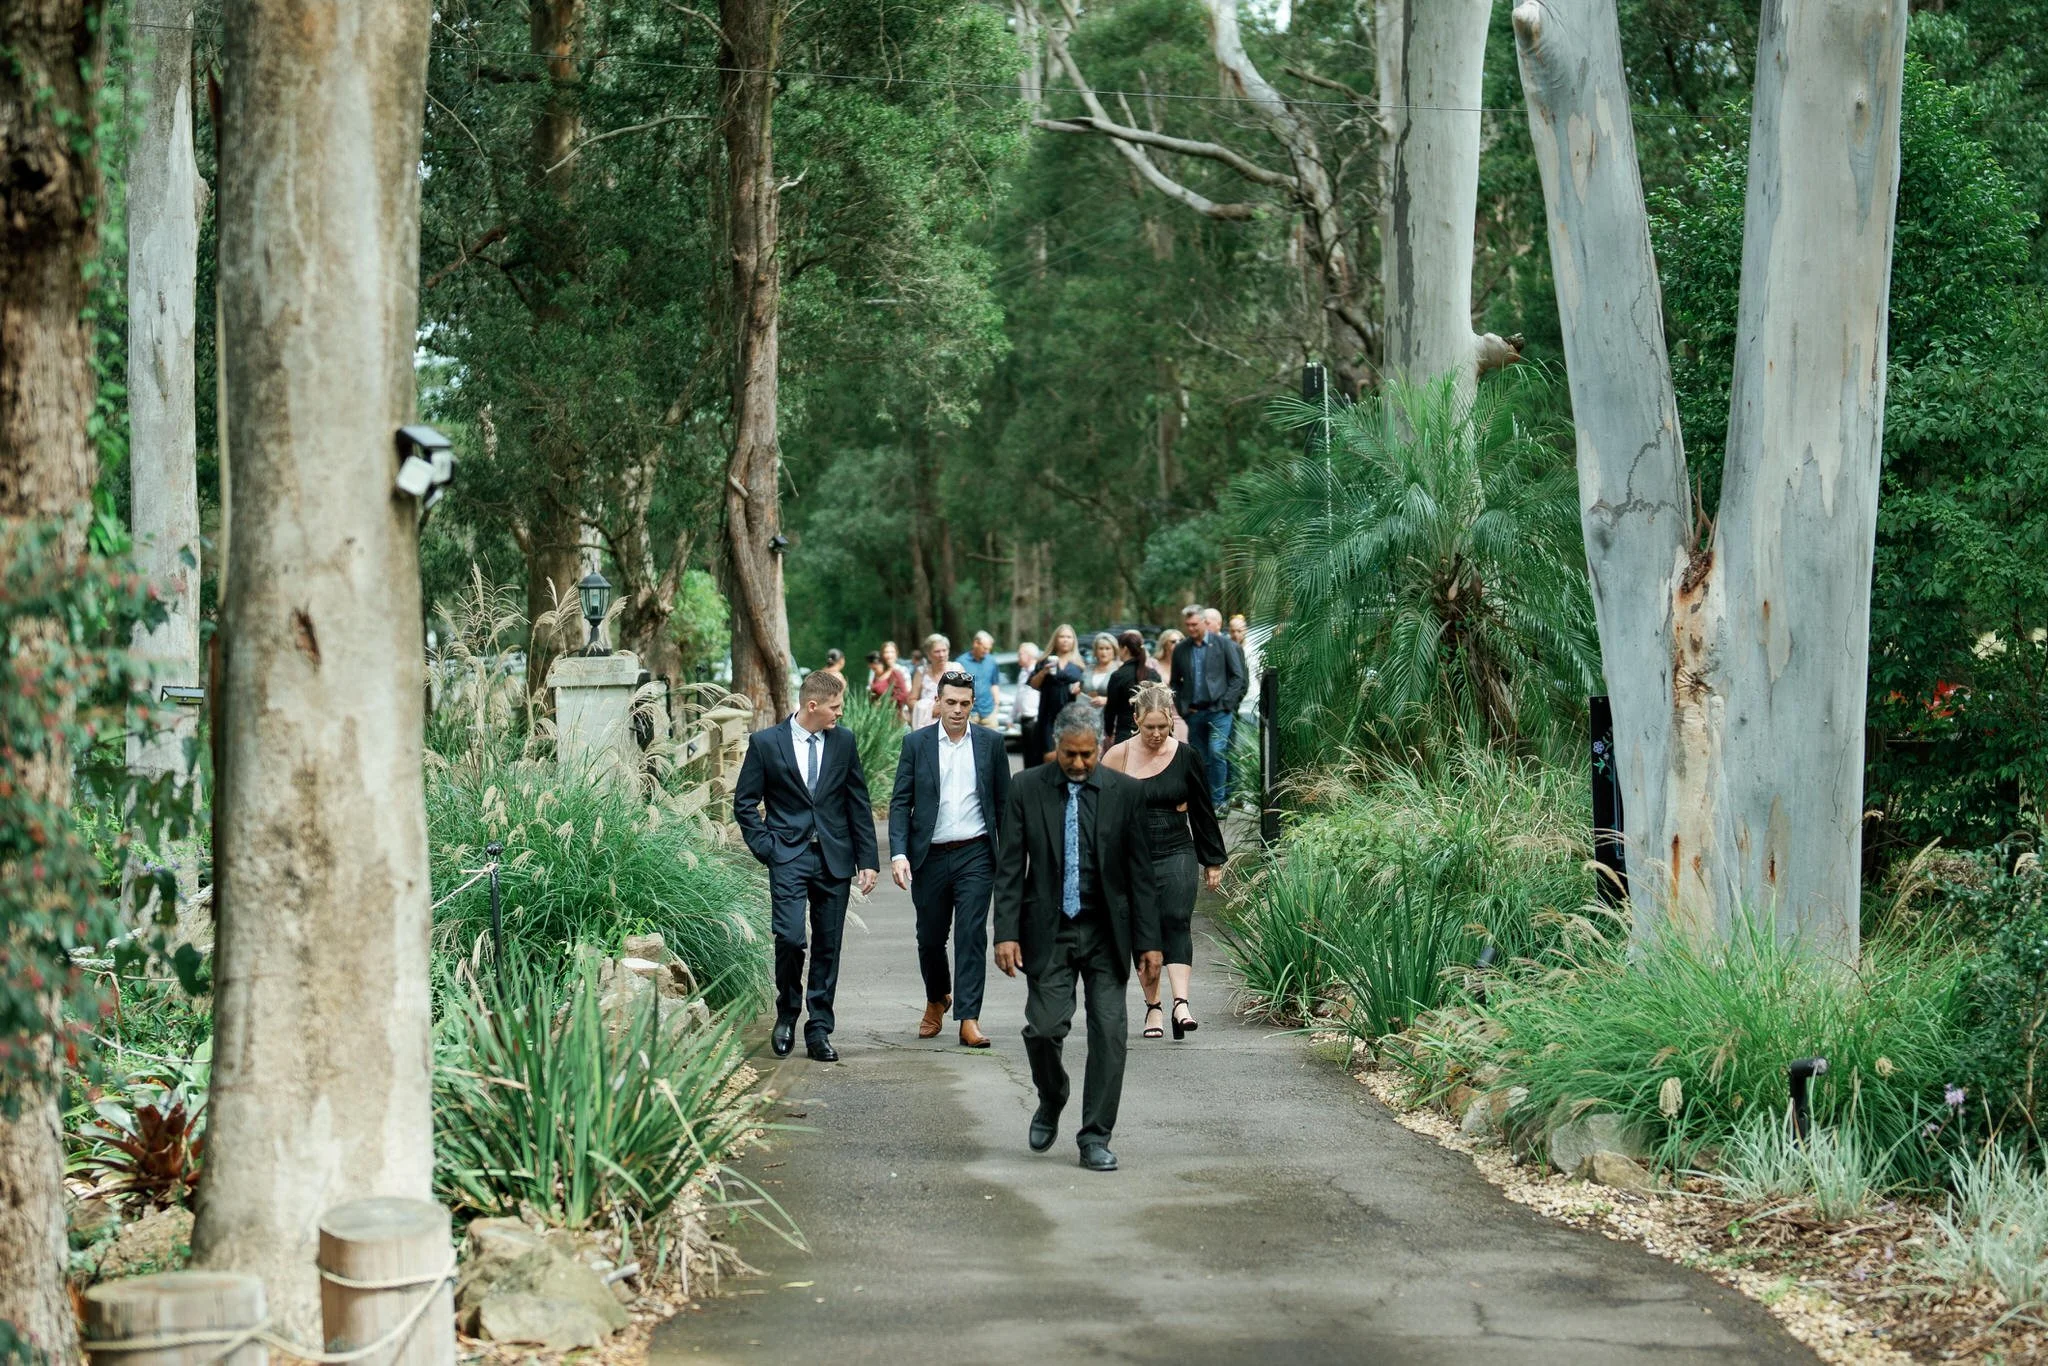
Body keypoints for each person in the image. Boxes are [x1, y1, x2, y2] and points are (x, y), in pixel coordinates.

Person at [993, 703, 1162, 1172]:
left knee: (1111, 1034)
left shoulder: (1124, 792)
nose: (1081, 764)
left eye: (1089, 754)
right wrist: (1004, 932)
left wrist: (1150, 943)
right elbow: (1010, 867)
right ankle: (1052, 1097)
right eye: (1071, 754)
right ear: (1057, 746)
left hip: (1108, 933)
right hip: (1049, 931)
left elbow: (1140, 874)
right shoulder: (1027, 788)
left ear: (1100, 748)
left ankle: (1095, 1137)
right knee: (1044, 1029)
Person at [733, 670, 880, 1062]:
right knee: (791, 939)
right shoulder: (766, 744)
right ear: (812, 705)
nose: (840, 713)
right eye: (835, 707)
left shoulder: (843, 742)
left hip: (834, 857)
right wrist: (768, 848)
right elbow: (745, 803)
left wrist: (867, 860)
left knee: (829, 946)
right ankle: (787, 1014)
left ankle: (819, 1031)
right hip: (788, 856)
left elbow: (857, 802)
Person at [889, 669, 1011, 1048]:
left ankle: (969, 1019)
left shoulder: (991, 744)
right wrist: (898, 852)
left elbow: (1004, 806)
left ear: (973, 705)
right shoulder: (917, 744)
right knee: (929, 938)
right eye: (951, 702)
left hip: (976, 853)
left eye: (965, 703)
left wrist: (1010, 858)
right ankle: (937, 997)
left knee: (971, 935)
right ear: (937, 702)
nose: (958, 710)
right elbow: (900, 803)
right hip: (930, 856)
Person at [1104, 682, 1227, 1042]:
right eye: (1149, 727)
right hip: (1132, 855)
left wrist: (1212, 860)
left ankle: (1181, 1004)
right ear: (1136, 720)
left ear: (1172, 721)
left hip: (1176, 847)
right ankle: (1154, 1006)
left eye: (1163, 725)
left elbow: (1203, 809)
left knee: (1176, 919)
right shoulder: (1117, 757)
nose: (1157, 733)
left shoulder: (1187, 755)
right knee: (1144, 931)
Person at [1170, 604, 1247, 809]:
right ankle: (1203, 800)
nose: (1191, 629)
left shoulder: (1223, 644)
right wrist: (1183, 707)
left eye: (1194, 624)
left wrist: (1226, 705)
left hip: (1219, 712)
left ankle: (1218, 802)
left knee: (1217, 753)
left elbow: (1237, 677)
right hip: (1194, 712)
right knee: (1200, 758)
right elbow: (1175, 682)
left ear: (1205, 622)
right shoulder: (1181, 649)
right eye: (1188, 625)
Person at [1026, 623, 1085, 764]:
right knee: (1049, 756)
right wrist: (1044, 672)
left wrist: (1080, 688)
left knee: (1069, 754)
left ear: (1073, 641)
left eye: (1069, 637)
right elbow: (1033, 684)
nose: (1065, 640)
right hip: (1048, 716)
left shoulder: (1079, 664)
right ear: (1055, 640)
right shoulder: (1044, 661)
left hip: (1071, 716)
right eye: (1062, 636)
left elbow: (1087, 690)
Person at [1101, 630, 1150, 746]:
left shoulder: (1118, 676)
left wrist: (1108, 731)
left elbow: (1111, 709)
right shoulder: (1153, 674)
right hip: (1151, 732)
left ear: (1125, 649)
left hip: (1125, 733)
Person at [958, 630, 1002, 729]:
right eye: (984, 648)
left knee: (993, 742)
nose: (987, 652)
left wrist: (997, 705)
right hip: (969, 712)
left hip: (989, 711)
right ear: (976, 643)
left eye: (989, 649)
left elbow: (994, 683)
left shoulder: (991, 661)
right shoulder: (961, 662)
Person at [909, 633, 951, 729]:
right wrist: (929, 709)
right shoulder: (921, 673)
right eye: (937, 651)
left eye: (944, 650)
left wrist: (945, 708)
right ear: (928, 655)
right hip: (927, 725)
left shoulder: (957, 669)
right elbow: (911, 700)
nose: (941, 655)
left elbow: (966, 696)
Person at [1013, 641, 1042, 764]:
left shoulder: (1038, 672)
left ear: (1029, 656)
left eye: (1020, 654)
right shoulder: (1022, 673)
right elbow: (1019, 697)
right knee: (1027, 755)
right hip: (1024, 719)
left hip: (1035, 719)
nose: (1018, 657)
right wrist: (1011, 717)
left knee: (1035, 755)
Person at [1082, 632, 1119, 708]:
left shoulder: (1119, 670)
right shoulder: (1088, 669)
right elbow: (1081, 689)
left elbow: (1126, 697)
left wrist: (1107, 700)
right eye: (1101, 648)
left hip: (1109, 714)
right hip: (1087, 713)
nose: (1104, 652)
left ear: (1114, 651)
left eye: (1107, 648)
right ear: (1095, 651)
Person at [868, 648, 911, 713]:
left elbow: (903, 695)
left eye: (875, 668)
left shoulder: (894, 674)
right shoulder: (876, 676)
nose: (874, 671)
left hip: (893, 713)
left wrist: (885, 702)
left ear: (881, 664)